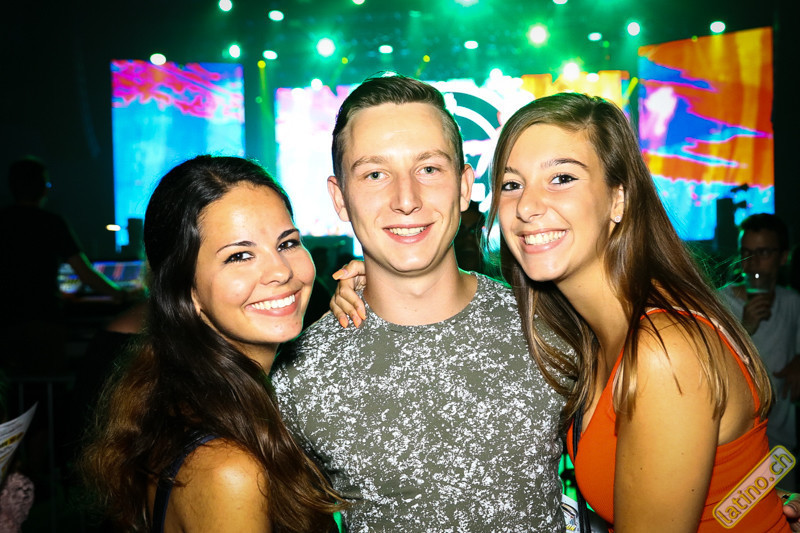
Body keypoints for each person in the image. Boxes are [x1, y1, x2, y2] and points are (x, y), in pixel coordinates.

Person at [271, 75, 570, 532]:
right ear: (340, 198)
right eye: (375, 174)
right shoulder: (297, 376)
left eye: (428, 169)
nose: (406, 200)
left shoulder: (550, 327)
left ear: (465, 186)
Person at [487, 92, 788, 531]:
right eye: (511, 184)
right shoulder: (595, 334)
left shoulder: (663, 351)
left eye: (562, 178)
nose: (527, 207)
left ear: (619, 199)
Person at [79, 155, 345, 532]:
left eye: (287, 243)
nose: (281, 271)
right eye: (239, 256)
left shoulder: (187, 399)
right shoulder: (229, 470)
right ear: (187, 291)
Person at [0, 157, 130, 371]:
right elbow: (85, 273)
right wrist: (120, 294)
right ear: (43, 188)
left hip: (6, 323)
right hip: (44, 321)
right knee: (48, 385)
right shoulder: (51, 223)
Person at [719, 213, 800, 491]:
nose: (753, 262)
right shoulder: (718, 301)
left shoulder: (793, 302)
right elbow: (708, 366)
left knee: (784, 509)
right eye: (746, 252)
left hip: (781, 440)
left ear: (783, 257)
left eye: (763, 252)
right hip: (734, 439)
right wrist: (746, 327)